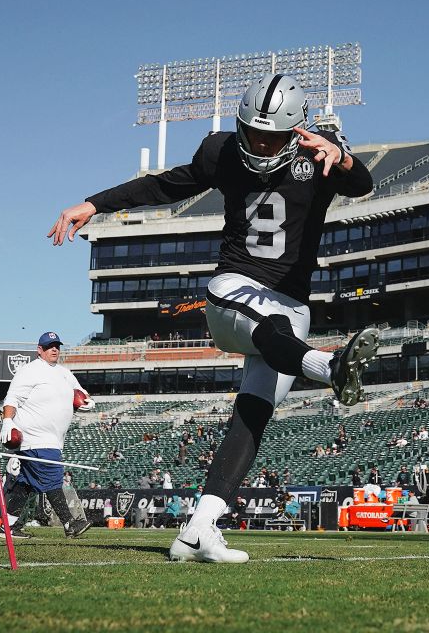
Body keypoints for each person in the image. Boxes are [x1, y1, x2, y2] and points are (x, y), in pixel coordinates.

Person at [49, 74, 377, 564]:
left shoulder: (319, 154)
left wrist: (343, 157)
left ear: (297, 132)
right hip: (234, 291)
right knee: (273, 328)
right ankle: (328, 369)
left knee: (252, 415)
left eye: (274, 136)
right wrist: (95, 203)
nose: (262, 144)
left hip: (291, 304)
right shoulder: (221, 152)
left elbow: (363, 183)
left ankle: (198, 530)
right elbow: (161, 185)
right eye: (254, 133)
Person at [0, 331, 92, 540]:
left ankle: (8, 527)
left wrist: (87, 402)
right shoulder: (29, 371)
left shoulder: (65, 373)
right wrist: (7, 421)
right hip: (35, 438)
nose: (54, 349)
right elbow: (12, 398)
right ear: (40, 350)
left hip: (54, 440)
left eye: (57, 345)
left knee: (26, 484)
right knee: (52, 478)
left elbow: (81, 394)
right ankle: (70, 524)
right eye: (49, 346)